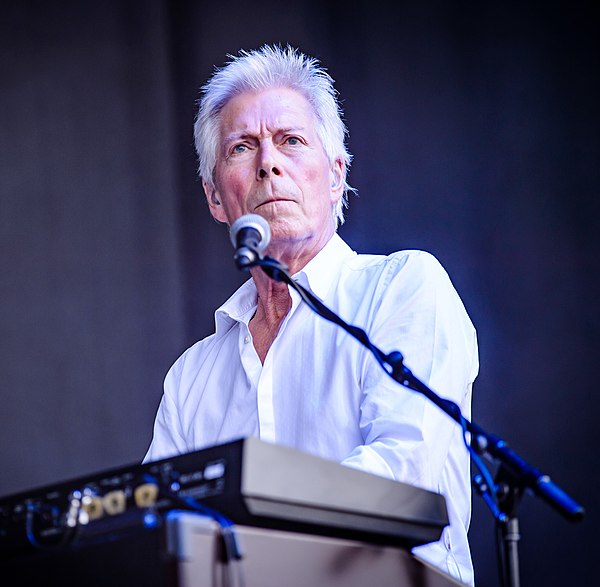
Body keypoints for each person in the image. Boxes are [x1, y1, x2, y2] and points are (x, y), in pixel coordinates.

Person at [144, 44, 479, 585]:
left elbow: (402, 479)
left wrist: (241, 538)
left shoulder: (404, 287)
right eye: (241, 148)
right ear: (213, 197)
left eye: (291, 141)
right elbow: (156, 534)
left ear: (335, 174)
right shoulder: (191, 378)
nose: (268, 163)